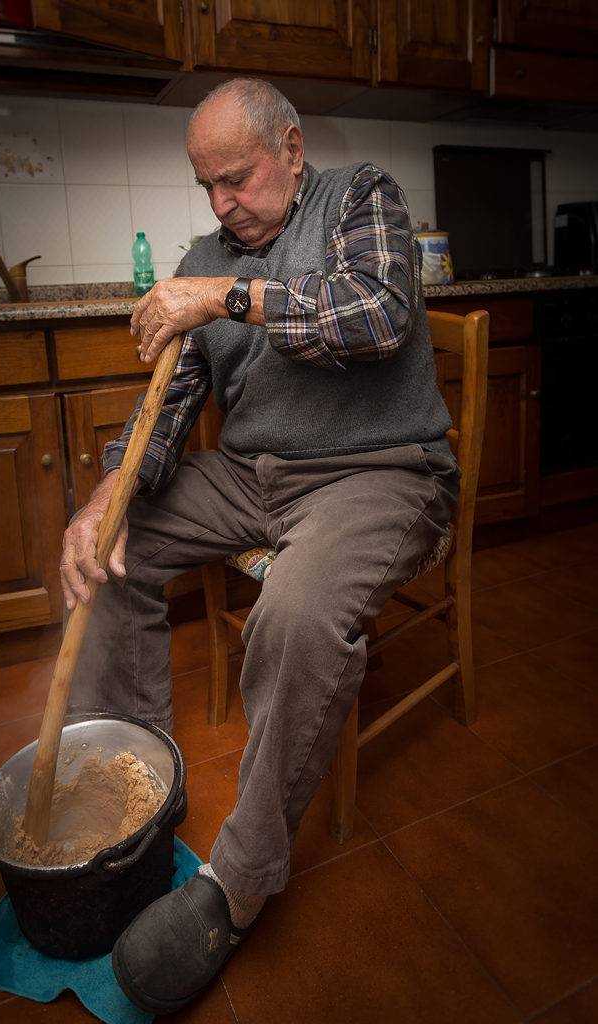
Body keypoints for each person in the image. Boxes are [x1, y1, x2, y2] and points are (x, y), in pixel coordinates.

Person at [59, 78, 460, 1015]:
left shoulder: (361, 196)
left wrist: (226, 295)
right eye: (206, 187)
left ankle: (237, 883)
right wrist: (114, 485)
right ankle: (137, 778)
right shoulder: (207, 255)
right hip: (253, 478)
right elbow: (169, 409)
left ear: (288, 146)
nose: (220, 205)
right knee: (112, 545)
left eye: (236, 179)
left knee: (295, 610)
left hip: (378, 473)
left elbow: (374, 315)